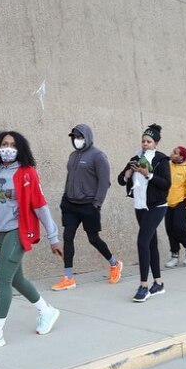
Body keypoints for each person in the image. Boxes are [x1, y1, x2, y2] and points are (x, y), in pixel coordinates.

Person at [0, 131, 64, 351]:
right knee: (17, 278)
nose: (7, 148)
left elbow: (40, 206)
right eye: (4, 144)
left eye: (12, 144)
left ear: (20, 148)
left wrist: (53, 237)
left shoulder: (27, 173)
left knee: (2, 280)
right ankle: (47, 311)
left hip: (18, 231)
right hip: (0, 231)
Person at [52, 124, 121, 291]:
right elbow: (70, 178)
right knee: (68, 237)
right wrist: (64, 198)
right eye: (74, 137)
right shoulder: (72, 156)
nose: (77, 140)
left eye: (80, 137)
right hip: (70, 204)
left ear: (87, 137)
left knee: (93, 238)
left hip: (89, 205)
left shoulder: (98, 156)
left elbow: (104, 182)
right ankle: (68, 277)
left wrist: (96, 204)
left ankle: (114, 264)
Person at [117, 124, 172, 302]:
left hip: (157, 206)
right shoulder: (135, 158)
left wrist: (148, 174)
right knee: (151, 243)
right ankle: (159, 283)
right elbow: (120, 180)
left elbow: (166, 184)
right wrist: (127, 173)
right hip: (140, 206)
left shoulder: (161, 160)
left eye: (149, 141)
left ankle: (144, 286)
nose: (145, 144)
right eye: (143, 141)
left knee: (142, 242)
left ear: (155, 143)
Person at [165, 146, 186, 268]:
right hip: (168, 202)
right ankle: (174, 256)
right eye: (173, 151)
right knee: (169, 229)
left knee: (178, 227)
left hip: (182, 202)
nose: (172, 153)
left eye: (175, 153)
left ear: (181, 157)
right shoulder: (168, 165)